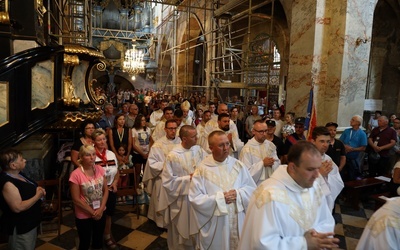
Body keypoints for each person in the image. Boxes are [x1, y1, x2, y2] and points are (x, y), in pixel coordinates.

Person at [238, 141, 339, 250]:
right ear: (292, 168)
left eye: (318, 168)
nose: (316, 175)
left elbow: (326, 220)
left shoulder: (314, 186)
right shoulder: (269, 195)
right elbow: (263, 243)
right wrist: (304, 243)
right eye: (310, 169)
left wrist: (317, 237)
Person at [189, 131, 256, 249]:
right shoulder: (202, 170)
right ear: (211, 148)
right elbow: (195, 198)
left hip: (238, 220)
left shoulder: (238, 165)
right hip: (217, 225)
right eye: (221, 145)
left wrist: (238, 194)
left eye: (227, 144)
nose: (226, 148)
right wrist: (220, 198)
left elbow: (252, 190)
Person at [158, 125, 208, 249]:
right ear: (184, 139)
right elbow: (167, 182)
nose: (197, 138)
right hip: (181, 200)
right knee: (181, 230)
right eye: (193, 136)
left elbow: (208, 166)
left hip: (198, 196)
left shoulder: (199, 150)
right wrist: (188, 179)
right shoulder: (173, 156)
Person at [0, 149, 45, 250]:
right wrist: (38, 195)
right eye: (21, 159)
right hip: (21, 226)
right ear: (13, 165)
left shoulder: (18, 174)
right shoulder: (7, 183)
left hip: (30, 222)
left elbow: (29, 186)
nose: (25, 160)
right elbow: (17, 207)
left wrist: (37, 188)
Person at [142, 119, 181, 227]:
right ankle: (161, 223)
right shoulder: (158, 144)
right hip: (163, 178)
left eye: (175, 128)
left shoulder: (181, 143)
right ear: (165, 129)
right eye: (170, 128)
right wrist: (167, 166)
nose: (173, 131)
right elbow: (152, 163)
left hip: (177, 179)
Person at [69, 145, 108, 250]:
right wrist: (92, 212)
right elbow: (76, 199)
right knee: (85, 242)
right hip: (84, 215)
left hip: (100, 211)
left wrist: (101, 209)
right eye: (88, 155)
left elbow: (106, 191)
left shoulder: (100, 169)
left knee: (98, 240)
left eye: (93, 154)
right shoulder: (76, 174)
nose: (92, 157)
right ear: (81, 157)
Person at [92, 128, 120, 249]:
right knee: (98, 215)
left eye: (104, 139)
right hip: (97, 191)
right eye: (99, 140)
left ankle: (107, 236)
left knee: (108, 214)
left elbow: (117, 171)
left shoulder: (111, 154)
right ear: (94, 142)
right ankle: (96, 239)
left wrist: (115, 182)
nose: (102, 142)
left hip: (110, 189)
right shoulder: (92, 155)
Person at [310, 126, 344, 211]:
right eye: (322, 141)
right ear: (313, 141)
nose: (325, 145)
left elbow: (338, 182)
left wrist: (328, 176)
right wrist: (319, 175)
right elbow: (299, 183)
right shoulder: (305, 158)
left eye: (328, 142)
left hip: (325, 199)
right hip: (310, 201)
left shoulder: (328, 160)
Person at [239, 120, 280, 186]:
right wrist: (262, 163)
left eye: (266, 131)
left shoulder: (270, 145)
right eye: (261, 131)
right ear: (253, 131)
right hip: (256, 186)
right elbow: (246, 173)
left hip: (270, 183)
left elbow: (277, 163)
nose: (264, 134)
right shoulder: (247, 149)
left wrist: (273, 162)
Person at [339, 115, 368, 180]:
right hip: (343, 156)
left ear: (358, 123)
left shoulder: (362, 134)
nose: (350, 121)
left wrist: (352, 149)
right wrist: (345, 146)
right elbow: (340, 141)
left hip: (354, 158)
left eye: (353, 120)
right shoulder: (347, 131)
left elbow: (363, 148)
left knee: (351, 175)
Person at [131, 114, 153, 193]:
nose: (144, 122)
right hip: (138, 153)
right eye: (142, 120)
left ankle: (146, 186)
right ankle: (137, 186)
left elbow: (151, 140)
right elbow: (133, 144)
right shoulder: (134, 130)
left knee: (146, 170)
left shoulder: (148, 129)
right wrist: (142, 153)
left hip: (147, 152)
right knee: (137, 171)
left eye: (144, 120)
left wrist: (149, 150)